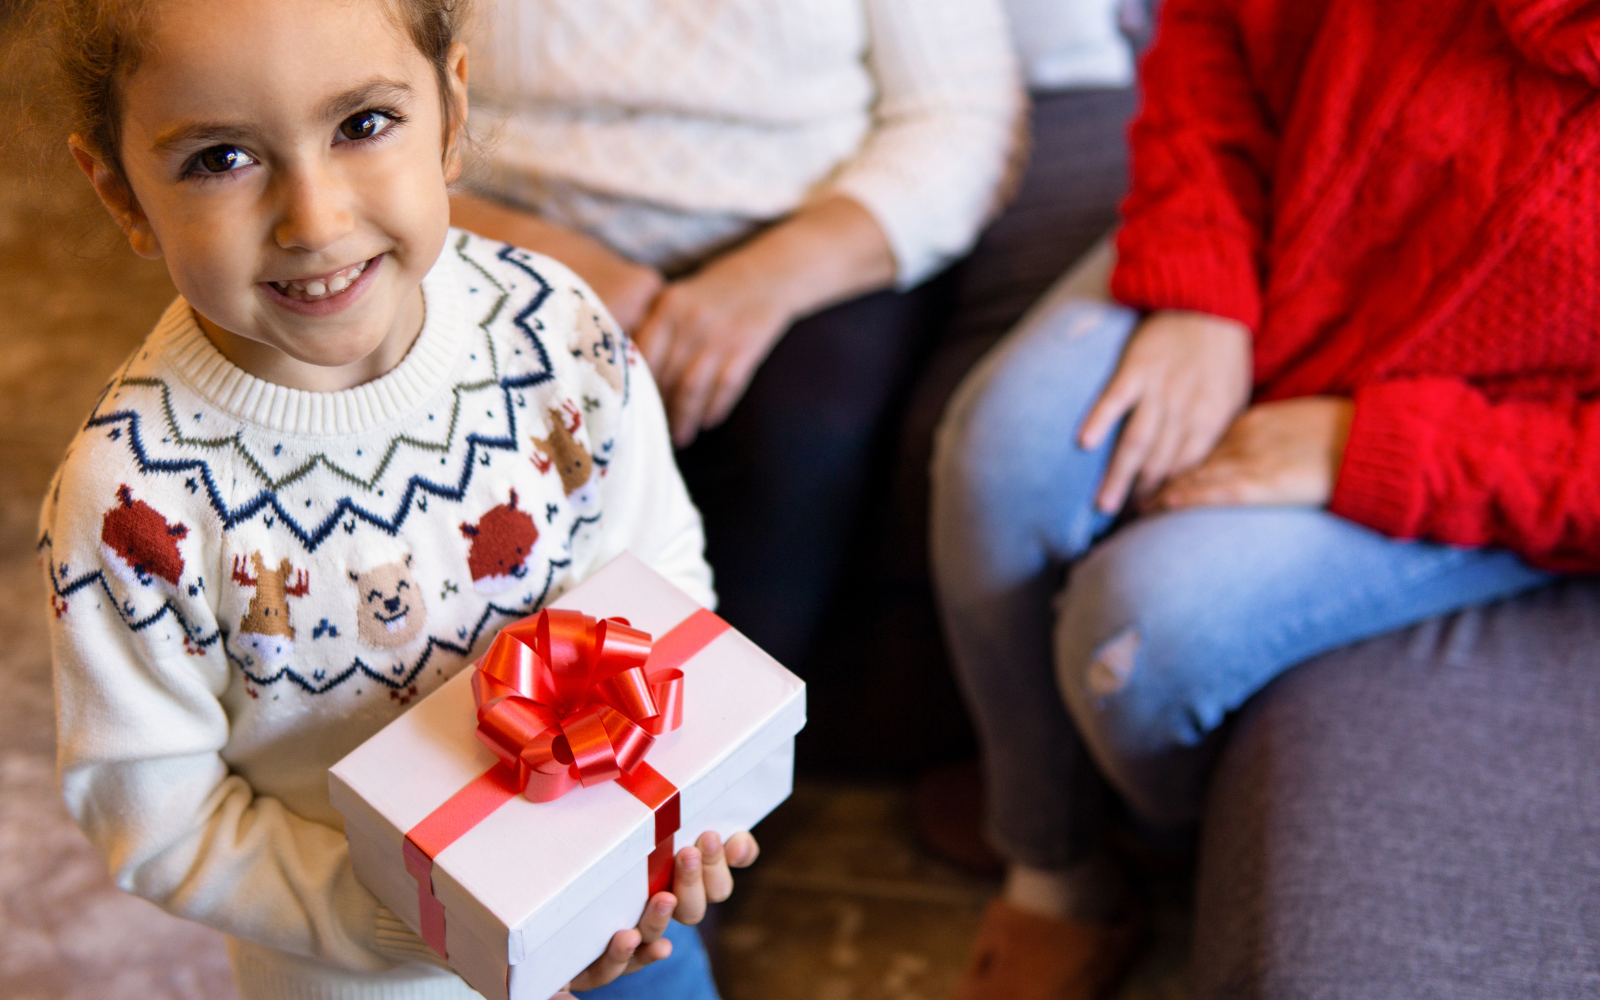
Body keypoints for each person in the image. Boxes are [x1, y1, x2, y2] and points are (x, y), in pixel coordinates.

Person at [40, 1, 759, 997]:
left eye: (362, 125)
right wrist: (418, 915)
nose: (316, 219)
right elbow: (157, 814)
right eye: (219, 158)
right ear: (121, 194)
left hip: (626, 930)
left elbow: (661, 582)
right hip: (369, 975)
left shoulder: (557, 332)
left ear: (450, 111)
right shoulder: (131, 503)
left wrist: (673, 808)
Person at [929, 0, 1600, 997]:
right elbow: (1208, 28)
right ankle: (1054, 857)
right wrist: (1199, 280)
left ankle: (1147, 837)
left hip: (1502, 423)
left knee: (1141, 635)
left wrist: (1369, 443)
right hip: (1262, 227)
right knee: (1002, 466)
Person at [449, 0, 1023, 673]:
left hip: (807, 239)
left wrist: (762, 282)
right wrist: (542, 256)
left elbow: (963, 120)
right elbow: (352, 103)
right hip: (502, 227)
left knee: (797, 431)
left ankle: (731, 749)